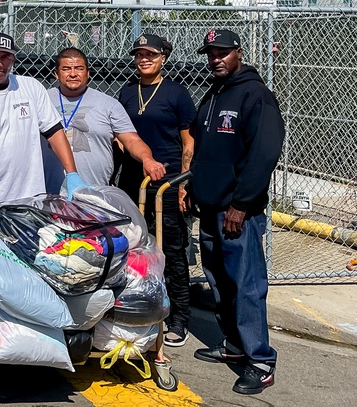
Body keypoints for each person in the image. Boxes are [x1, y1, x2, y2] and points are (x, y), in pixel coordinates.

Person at [189, 28, 284, 396]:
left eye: (223, 52)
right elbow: (203, 147)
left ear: (238, 54)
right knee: (219, 282)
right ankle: (233, 344)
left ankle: (260, 361)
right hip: (210, 206)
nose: (216, 58)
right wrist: (193, 189)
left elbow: (263, 155)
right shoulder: (214, 94)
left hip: (236, 212)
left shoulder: (255, 95)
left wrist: (241, 204)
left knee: (246, 285)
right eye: (211, 53)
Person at [0, 32, 87, 225]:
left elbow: (55, 132)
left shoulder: (31, 87)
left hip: (27, 202)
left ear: (14, 58)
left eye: (5, 56)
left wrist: (72, 174)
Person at [116, 33, 198, 347]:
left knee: (172, 252)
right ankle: (136, 308)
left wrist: (183, 185)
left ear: (162, 57)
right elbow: (118, 138)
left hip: (167, 186)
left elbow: (189, 142)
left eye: (150, 54)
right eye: (139, 54)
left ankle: (178, 319)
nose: (144, 59)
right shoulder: (126, 93)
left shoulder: (176, 93)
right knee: (134, 250)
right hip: (132, 184)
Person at [46, 47, 165, 188]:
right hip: (47, 190)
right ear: (56, 74)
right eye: (66, 69)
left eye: (79, 68)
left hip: (94, 190)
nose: (73, 74)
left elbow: (132, 141)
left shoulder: (109, 104)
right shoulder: (42, 100)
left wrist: (147, 159)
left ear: (88, 73)